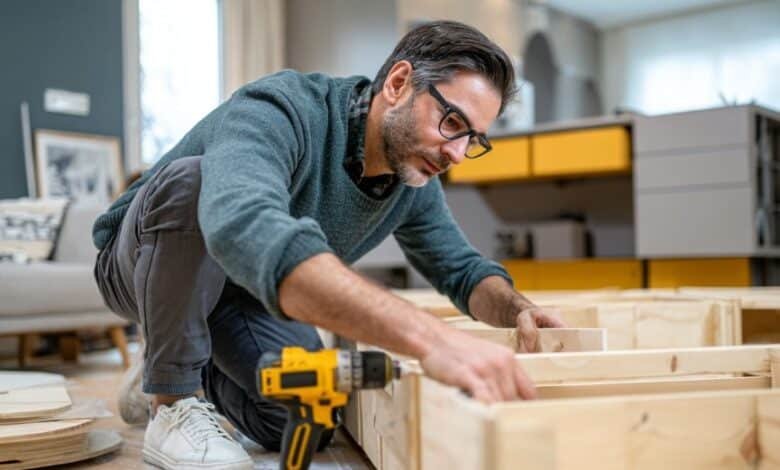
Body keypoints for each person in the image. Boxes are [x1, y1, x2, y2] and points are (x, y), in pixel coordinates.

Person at [93, 20, 564, 470]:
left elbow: (460, 269)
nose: (457, 153)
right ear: (399, 83)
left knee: (306, 413)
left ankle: (172, 362)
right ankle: (172, 395)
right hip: (142, 262)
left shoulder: (412, 181)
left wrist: (517, 308)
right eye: (452, 122)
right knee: (195, 180)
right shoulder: (282, 108)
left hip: (245, 291)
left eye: (473, 139)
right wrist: (433, 339)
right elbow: (242, 225)